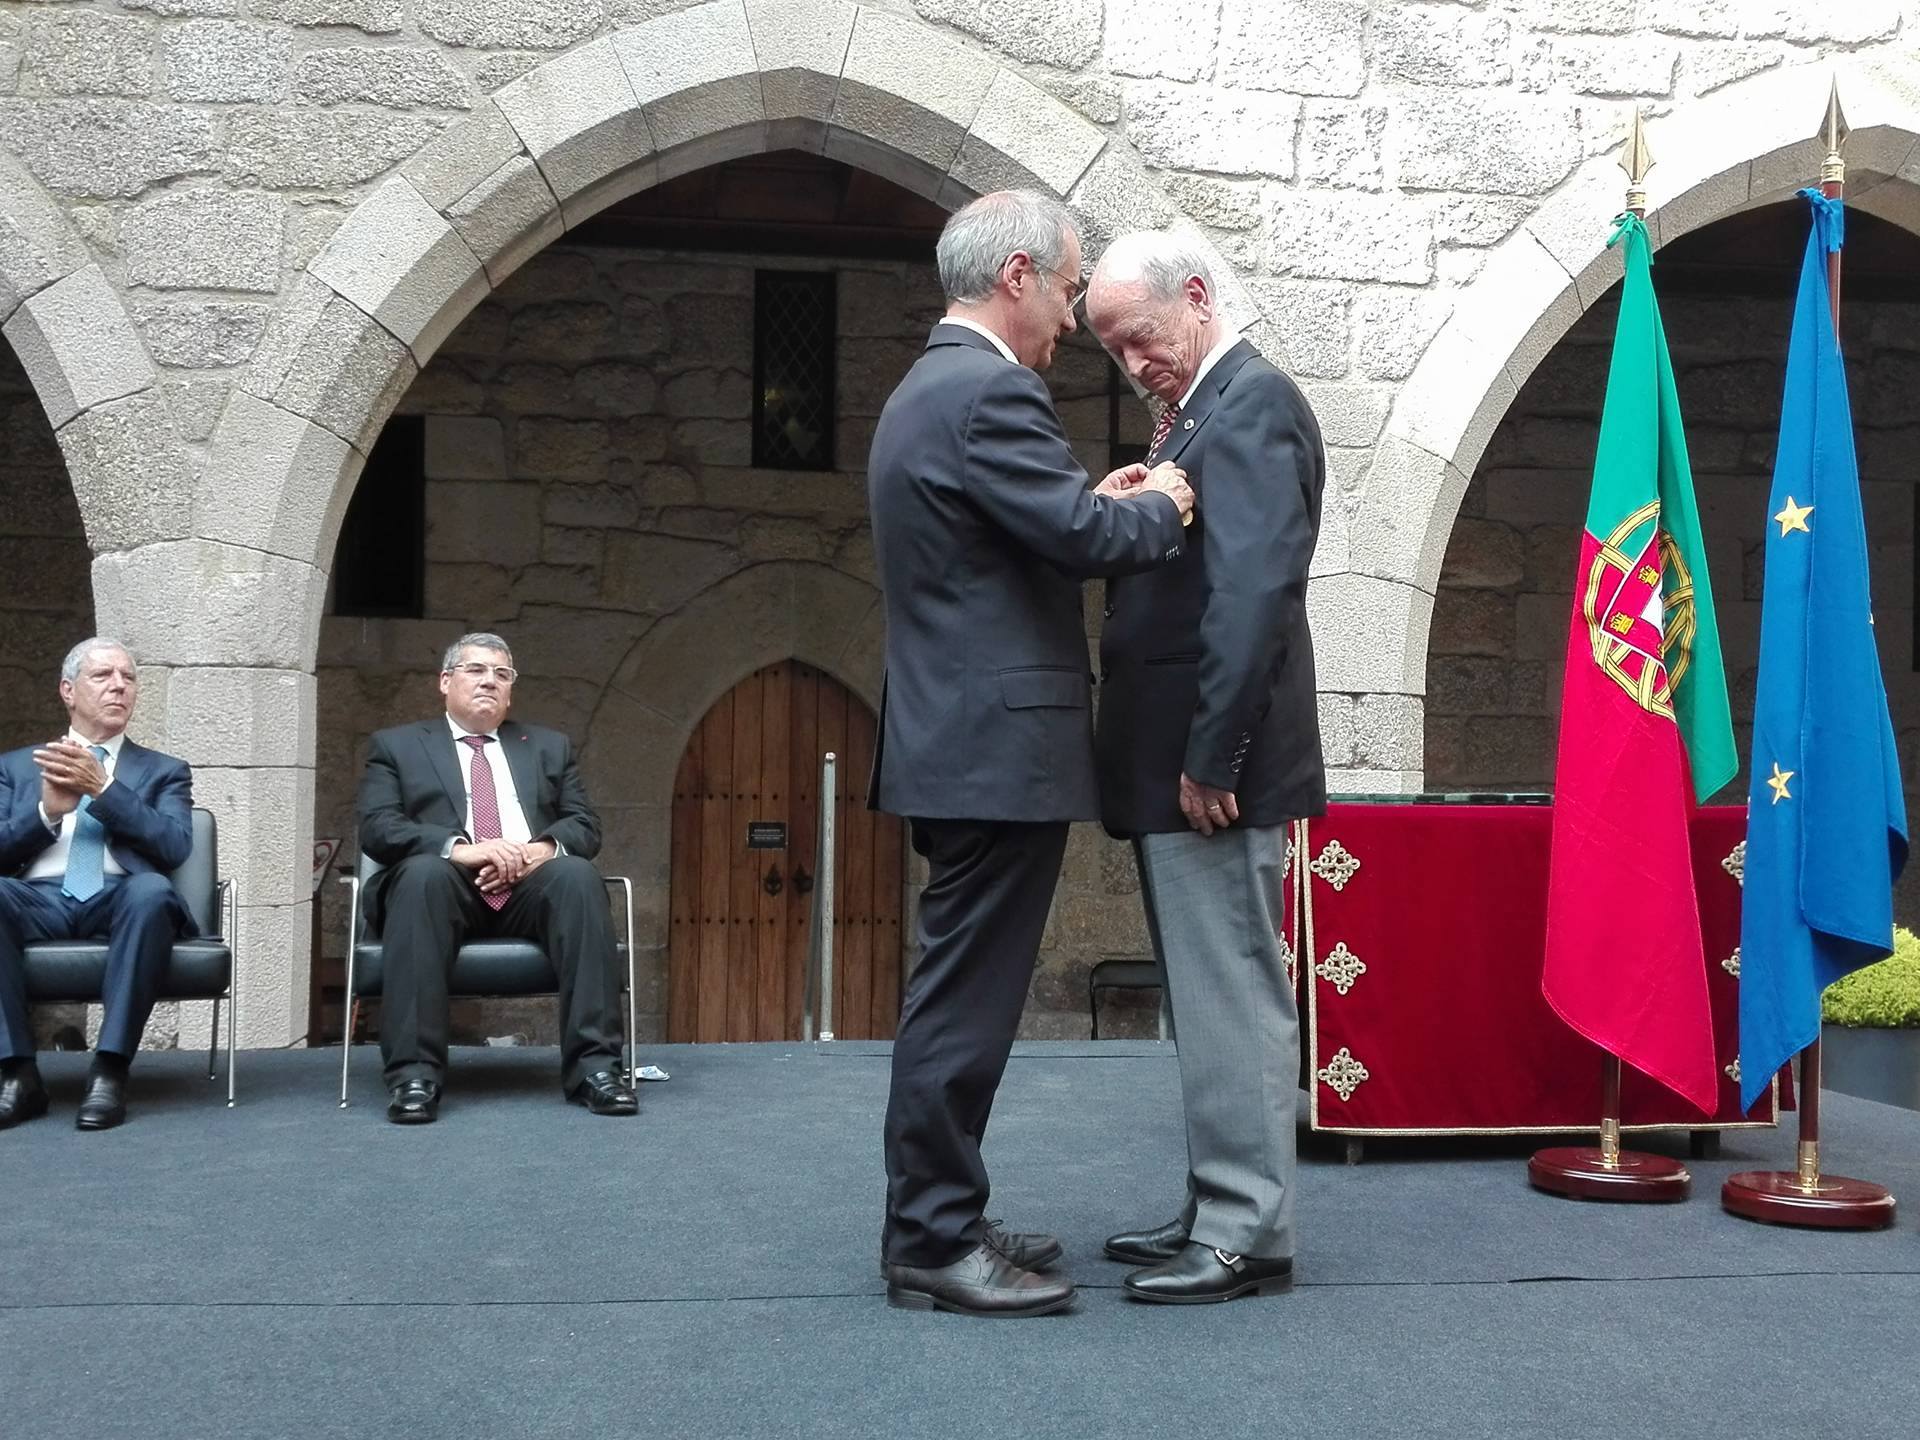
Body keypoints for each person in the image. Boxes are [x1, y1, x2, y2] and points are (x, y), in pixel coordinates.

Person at [869, 190, 1195, 1317]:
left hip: (958, 743)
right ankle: (932, 1238)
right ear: (1015, 275)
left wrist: (1081, 500)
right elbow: (1082, 538)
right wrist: (1161, 503)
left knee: (959, 993)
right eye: (1065, 289)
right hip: (991, 751)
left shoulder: (930, 389)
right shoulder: (992, 389)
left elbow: (1012, 536)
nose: (1068, 317)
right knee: (965, 1006)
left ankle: (944, 1215)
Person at [1083, 230, 1327, 1303]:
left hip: (1214, 775)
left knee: (1231, 995)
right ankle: (1219, 1201)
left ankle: (1244, 1230)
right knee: (1208, 994)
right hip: (1182, 767)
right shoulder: (1200, 415)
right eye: (1114, 351)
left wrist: (1212, 756)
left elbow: (1254, 597)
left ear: (1195, 295)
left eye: (1140, 338)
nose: (1134, 363)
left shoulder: (1254, 403)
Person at [355, 632, 636, 1125]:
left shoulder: (548, 747)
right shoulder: (397, 746)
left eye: (502, 674)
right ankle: (414, 1076)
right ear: (445, 681)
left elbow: (584, 825)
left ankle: (596, 1071)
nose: (490, 681)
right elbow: (378, 827)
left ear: (510, 691)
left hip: (530, 884)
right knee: (421, 875)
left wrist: (537, 850)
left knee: (576, 876)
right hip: (444, 883)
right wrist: (461, 849)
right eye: (476, 670)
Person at [0, 638, 195, 1133]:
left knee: (152, 890)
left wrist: (103, 790)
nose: (119, 687)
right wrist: (46, 813)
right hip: (37, 898)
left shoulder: (164, 771)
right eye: (103, 676)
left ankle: (110, 1069)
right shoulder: (17, 767)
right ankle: (17, 1073)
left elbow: (174, 846)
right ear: (68, 691)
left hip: (120, 897)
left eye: (128, 677)